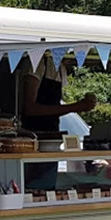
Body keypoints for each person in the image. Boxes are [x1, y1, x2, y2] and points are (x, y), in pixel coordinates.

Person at [18, 56, 98, 191]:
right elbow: (29, 108)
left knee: (46, 187)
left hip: (52, 141)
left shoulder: (61, 68)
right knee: (31, 187)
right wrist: (74, 107)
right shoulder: (38, 62)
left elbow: (54, 108)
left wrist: (76, 107)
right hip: (31, 140)